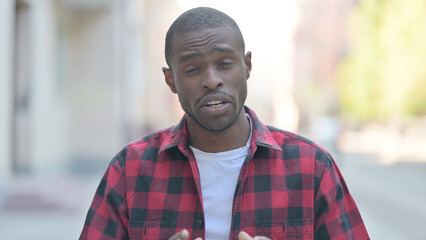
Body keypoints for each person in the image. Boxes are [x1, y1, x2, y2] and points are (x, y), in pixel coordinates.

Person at [79, 7, 369, 240]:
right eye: (192, 69)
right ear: (171, 81)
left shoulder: (312, 167)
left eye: (225, 64)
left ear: (247, 67)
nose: (211, 80)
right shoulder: (129, 170)